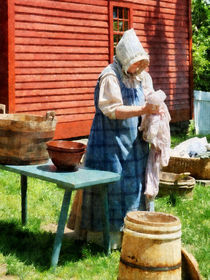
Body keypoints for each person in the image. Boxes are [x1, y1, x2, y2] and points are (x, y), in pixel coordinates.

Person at [68, 28, 163, 249]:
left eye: (141, 62)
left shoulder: (140, 77)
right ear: (124, 58)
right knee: (111, 185)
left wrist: (156, 106)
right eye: (135, 62)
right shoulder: (110, 76)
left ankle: (132, 230)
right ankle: (104, 238)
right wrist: (143, 109)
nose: (138, 67)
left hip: (134, 144)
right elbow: (114, 110)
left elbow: (148, 96)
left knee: (133, 186)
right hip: (109, 143)